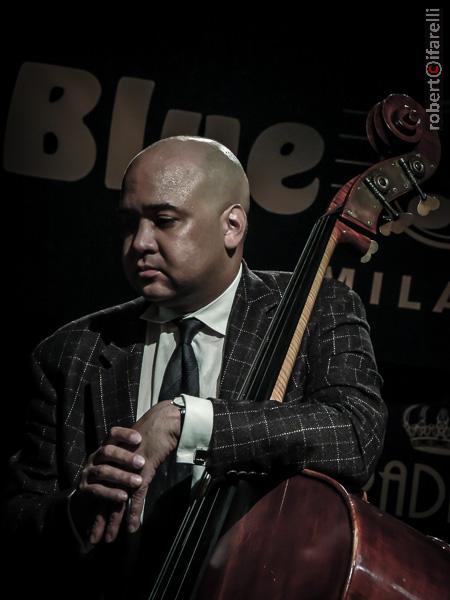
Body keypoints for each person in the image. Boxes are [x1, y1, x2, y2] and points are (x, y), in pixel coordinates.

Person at [2, 136, 387, 599]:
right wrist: (75, 510)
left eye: (164, 221)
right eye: (129, 223)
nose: (140, 243)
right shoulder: (67, 353)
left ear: (232, 226)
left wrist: (185, 421)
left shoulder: (318, 308)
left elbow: (355, 434)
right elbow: (18, 517)